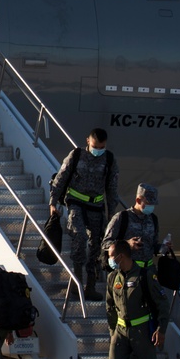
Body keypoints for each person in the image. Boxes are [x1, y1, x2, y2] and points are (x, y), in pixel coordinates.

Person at [48, 128, 120, 301]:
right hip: (76, 204)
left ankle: (91, 286)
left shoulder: (109, 160)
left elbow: (112, 188)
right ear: (88, 141)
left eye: (101, 147)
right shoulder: (76, 155)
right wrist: (53, 202)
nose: (98, 151)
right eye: (95, 146)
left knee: (96, 245)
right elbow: (61, 178)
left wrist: (111, 214)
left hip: (96, 207)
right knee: (79, 237)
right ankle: (77, 279)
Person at [105, 239, 169, 359]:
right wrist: (112, 331)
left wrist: (161, 329)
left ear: (120, 256)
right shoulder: (113, 278)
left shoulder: (144, 275)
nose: (109, 260)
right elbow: (110, 306)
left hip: (142, 331)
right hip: (121, 330)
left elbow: (162, 304)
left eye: (111, 256)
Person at [103, 184, 166, 268]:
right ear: (138, 200)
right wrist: (126, 245)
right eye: (148, 203)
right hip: (128, 271)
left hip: (149, 271)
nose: (151, 206)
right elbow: (105, 244)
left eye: (153, 204)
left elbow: (153, 245)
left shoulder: (153, 219)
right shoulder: (122, 217)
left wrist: (163, 247)